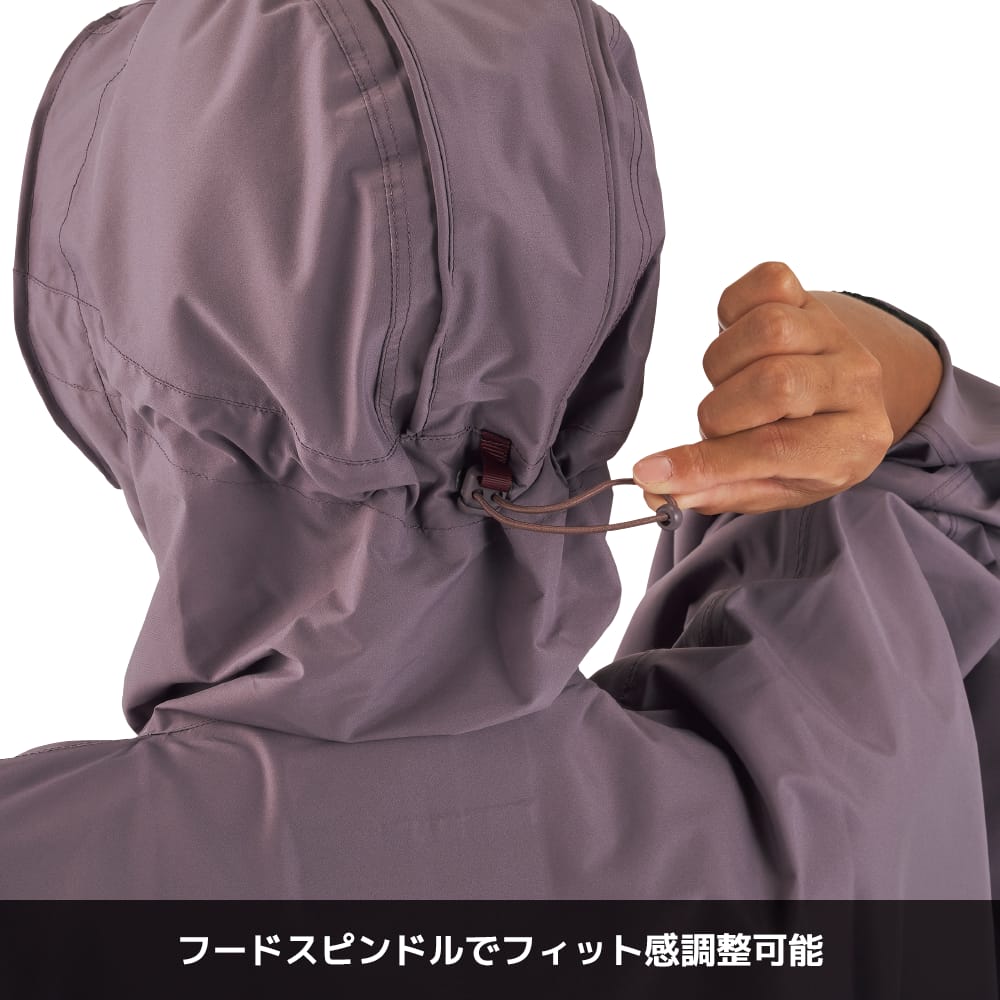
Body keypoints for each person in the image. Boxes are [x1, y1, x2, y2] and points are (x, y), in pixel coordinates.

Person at [2, 0, 998, 902]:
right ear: (607, 326)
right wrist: (868, 370)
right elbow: (950, 495)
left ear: (107, 357)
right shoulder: (836, 783)